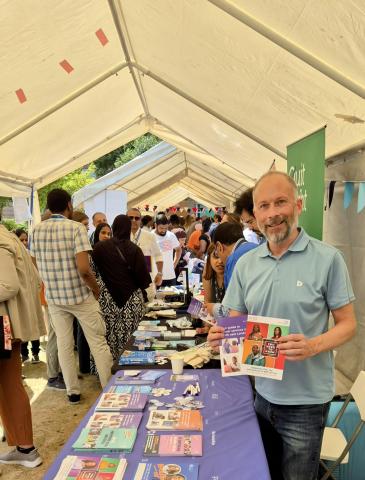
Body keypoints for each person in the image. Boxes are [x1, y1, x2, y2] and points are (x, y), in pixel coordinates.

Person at [208, 171, 356, 480]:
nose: (273, 213)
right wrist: (222, 333)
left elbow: (348, 324)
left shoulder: (328, 259)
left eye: (280, 202)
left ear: (298, 205)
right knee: (259, 473)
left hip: (306, 405)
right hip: (260, 396)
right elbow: (236, 319)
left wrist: (313, 345)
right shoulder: (247, 264)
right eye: (264, 206)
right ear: (255, 215)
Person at [31, 189, 113, 404]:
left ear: (48, 206)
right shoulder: (76, 228)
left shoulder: (36, 231)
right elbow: (84, 269)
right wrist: (96, 289)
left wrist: (49, 279)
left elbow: (34, 263)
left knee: (65, 346)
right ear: (69, 204)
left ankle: (73, 392)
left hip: (55, 297)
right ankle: (108, 389)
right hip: (80, 295)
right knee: (98, 342)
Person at [0, 220, 45, 468]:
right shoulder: (9, 239)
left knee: (10, 386)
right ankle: (23, 447)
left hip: (3, 324)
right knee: (9, 385)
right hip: (6, 325)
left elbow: (8, 286)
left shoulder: (3, 242)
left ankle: (24, 447)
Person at [92, 215, 151, 363]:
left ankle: (107, 371)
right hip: (131, 301)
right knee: (131, 338)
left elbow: (92, 272)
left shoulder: (98, 248)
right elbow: (144, 281)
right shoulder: (135, 250)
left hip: (107, 300)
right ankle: (132, 367)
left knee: (108, 337)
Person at [14, 229, 41, 364]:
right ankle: (24, 354)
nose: (24, 242)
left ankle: (35, 352)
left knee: (34, 325)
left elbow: (37, 276)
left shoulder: (30, 255)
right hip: (20, 298)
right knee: (23, 327)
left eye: (26, 240)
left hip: (32, 296)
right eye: (21, 240)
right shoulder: (13, 256)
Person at [127, 208, 164, 297]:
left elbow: (158, 255)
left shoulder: (149, 236)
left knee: (148, 305)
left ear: (140, 220)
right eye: (130, 218)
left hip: (146, 280)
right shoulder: (121, 236)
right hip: (127, 279)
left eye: (137, 218)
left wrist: (159, 273)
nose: (133, 220)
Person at [153, 215, 182, 287]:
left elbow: (178, 250)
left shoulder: (171, 235)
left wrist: (174, 265)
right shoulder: (150, 236)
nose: (163, 230)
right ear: (155, 225)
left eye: (166, 228)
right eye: (161, 228)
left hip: (170, 277)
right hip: (155, 277)